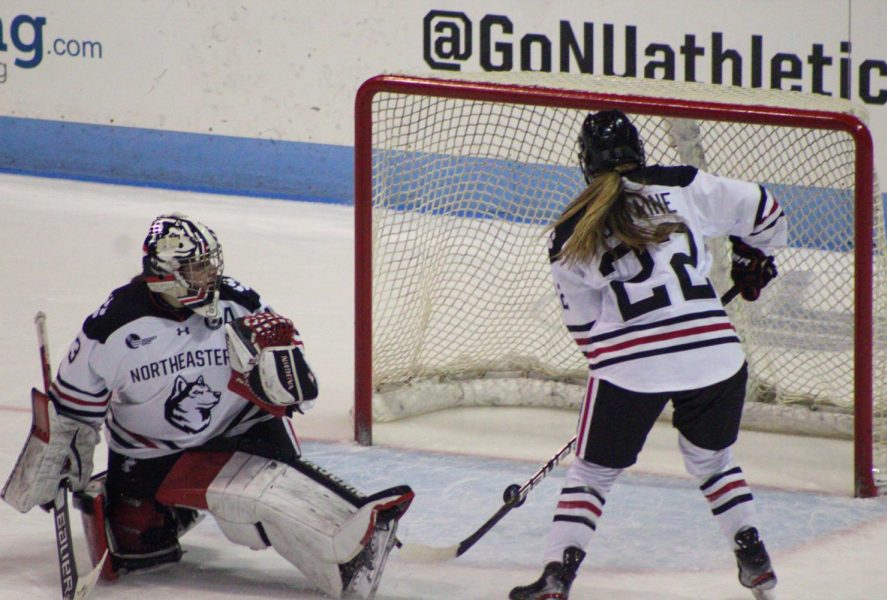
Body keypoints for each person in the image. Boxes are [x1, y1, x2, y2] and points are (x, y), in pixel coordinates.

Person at [2, 212, 414, 600]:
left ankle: (352, 550)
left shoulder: (238, 302)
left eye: (211, 266)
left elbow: (298, 393)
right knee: (138, 546)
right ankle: (175, 511)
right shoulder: (111, 328)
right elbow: (71, 411)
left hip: (241, 429)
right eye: (200, 269)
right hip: (151, 450)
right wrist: (61, 459)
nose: (212, 276)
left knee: (256, 502)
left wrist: (277, 366)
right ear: (168, 275)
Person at [509, 111, 785, 600]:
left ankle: (556, 578)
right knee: (714, 462)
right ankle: (754, 558)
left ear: (585, 163)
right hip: (715, 352)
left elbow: (585, 331)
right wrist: (753, 258)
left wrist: (628, 377)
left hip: (629, 365)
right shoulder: (682, 185)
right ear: (640, 150)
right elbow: (765, 210)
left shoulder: (570, 230)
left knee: (593, 472)